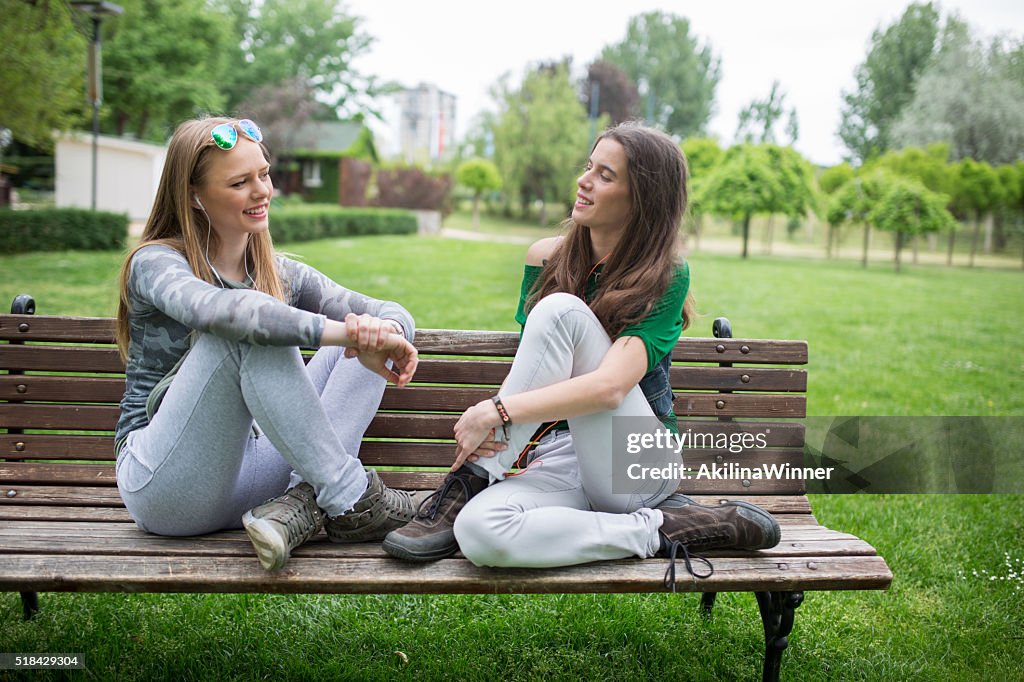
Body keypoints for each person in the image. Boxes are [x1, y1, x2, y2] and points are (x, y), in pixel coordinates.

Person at [382, 122, 780, 586]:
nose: (584, 180)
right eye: (588, 166)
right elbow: (538, 371)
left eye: (605, 175)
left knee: (561, 311)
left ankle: (470, 478)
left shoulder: (666, 275)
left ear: (643, 200)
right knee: (480, 533)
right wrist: (511, 430)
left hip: (634, 459)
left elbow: (611, 388)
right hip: (562, 454)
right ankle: (665, 529)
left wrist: (495, 410)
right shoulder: (545, 258)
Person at [114, 116, 424, 572]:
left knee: (382, 330)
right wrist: (347, 332)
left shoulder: (280, 272)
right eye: (240, 182)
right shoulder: (157, 263)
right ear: (194, 196)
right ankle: (349, 497)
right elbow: (225, 314)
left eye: (264, 174)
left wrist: (379, 333)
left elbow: (393, 314)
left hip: (261, 477)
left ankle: (300, 504)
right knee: (253, 328)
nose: (262, 192)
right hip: (165, 484)